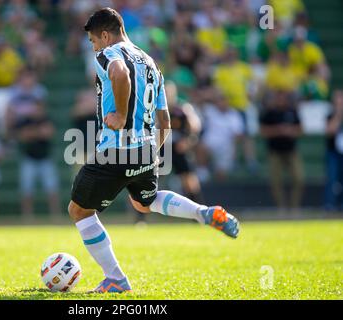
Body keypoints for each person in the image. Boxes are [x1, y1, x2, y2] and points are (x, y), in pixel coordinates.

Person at [68, 8, 239, 294]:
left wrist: (121, 115)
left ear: (106, 35)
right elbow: (166, 121)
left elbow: (119, 73)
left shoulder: (108, 55)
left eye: (93, 40)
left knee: (79, 210)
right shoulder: (150, 63)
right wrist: (151, 154)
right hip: (146, 148)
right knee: (144, 202)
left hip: (115, 150)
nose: (93, 46)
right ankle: (203, 212)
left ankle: (116, 279)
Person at [259, 90, 304, 213]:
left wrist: (289, 131)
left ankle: (294, 207)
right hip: (275, 152)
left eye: (283, 98)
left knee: (298, 178)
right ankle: (281, 207)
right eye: (278, 98)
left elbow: (300, 130)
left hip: (291, 151)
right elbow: (263, 131)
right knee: (276, 182)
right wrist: (278, 130)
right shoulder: (269, 113)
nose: (280, 100)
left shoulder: (292, 112)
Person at [324, 90, 343, 212]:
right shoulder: (330, 114)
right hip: (333, 152)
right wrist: (339, 114)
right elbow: (330, 130)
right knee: (332, 178)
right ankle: (330, 204)